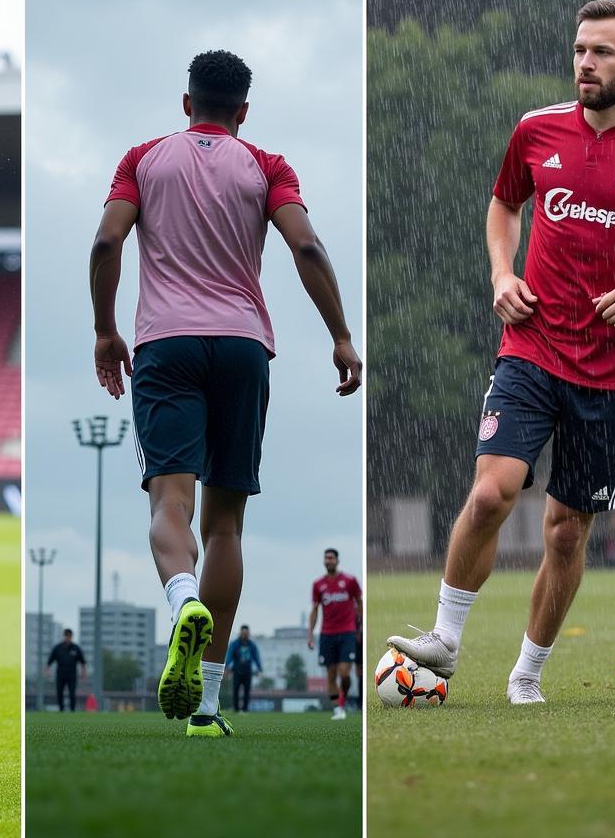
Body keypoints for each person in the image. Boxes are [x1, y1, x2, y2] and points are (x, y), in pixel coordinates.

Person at [389, 0, 615, 704]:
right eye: (579, 50)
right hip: (530, 348)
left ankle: (527, 675)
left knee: (566, 531)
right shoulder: (536, 130)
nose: (586, 64)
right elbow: (505, 204)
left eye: (602, 52)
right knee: (493, 491)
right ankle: (444, 639)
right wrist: (504, 275)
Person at [88, 50, 361, 739]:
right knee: (226, 523)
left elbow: (104, 244)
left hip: (165, 344)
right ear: (242, 111)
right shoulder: (269, 166)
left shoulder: (143, 159)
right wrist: (341, 335)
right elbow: (307, 249)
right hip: (243, 346)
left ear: (187, 104)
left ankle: (182, 601)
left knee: (168, 502)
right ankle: (206, 706)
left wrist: (103, 331)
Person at [308, 548, 362, 719]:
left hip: (347, 633)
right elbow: (315, 610)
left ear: (337, 560)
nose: (328, 561)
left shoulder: (350, 581)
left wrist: (359, 626)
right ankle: (338, 709)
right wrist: (310, 634)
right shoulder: (318, 585)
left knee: (344, 673)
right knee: (331, 674)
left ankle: (343, 698)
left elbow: (359, 602)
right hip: (327, 634)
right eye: (326, 558)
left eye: (331, 558)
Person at [45, 628, 87, 711]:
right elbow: (50, 661)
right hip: (60, 674)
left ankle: (72, 710)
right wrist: (47, 670)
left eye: (69, 636)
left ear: (71, 637)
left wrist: (83, 672)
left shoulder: (76, 648)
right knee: (59, 693)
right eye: (66, 636)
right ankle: (61, 709)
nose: (68, 638)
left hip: (72, 675)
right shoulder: (58, 648)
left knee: (72, 693)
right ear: (64, 636)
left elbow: (83, 662)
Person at [225, 625, 263, 713]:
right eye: (243, 633)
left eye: (246, 633)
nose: (245, 635)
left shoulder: (252, 645)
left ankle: (245, 709)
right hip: (237, 671)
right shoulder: (234, 644)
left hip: (247, 671)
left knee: (247, 691)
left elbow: (256, 657)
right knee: (235, 690)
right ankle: (236, 709)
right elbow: (229, 656)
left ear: (249, 634)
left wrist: (260, 669)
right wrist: (226, 667)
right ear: (240, 633)